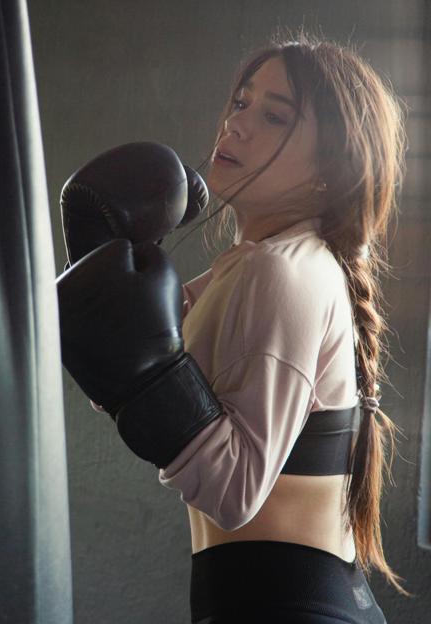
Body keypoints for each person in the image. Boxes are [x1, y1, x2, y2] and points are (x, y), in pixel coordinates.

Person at [57, 32, 413, 623]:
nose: (238, 124)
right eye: (243, 103)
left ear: (333, 166)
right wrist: (100, 259)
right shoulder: (255, 265)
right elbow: (128, 371)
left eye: (275, 116)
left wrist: (142, 373)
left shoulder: (282, 272)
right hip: (270, 601)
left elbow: (234, 490)